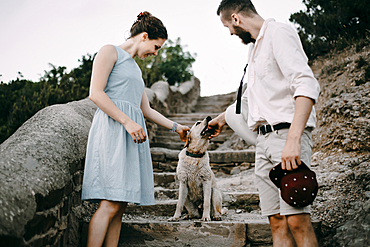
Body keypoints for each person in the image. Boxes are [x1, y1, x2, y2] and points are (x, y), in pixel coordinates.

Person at [208, 1, 321, 246]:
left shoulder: (279, 33)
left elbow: (306, 85)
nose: (229, 32)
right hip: (264, 141)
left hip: (286, 138)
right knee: (277, 221)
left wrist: (293, 141)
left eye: (227, 26)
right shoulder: (254, 50)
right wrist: (221, 120)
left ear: (236, 19)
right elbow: (251, 95)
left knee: (297, 221)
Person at [81, 12, 190, 247]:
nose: (155, 53)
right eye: (156, 46)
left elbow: (147, 110)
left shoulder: (136, 70)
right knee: (110, 203)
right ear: (144, 36)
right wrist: (127, 122)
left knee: (120, 205)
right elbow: (96, 93)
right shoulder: (109, 51)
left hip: (131, 138)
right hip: (112, 132)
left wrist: (176, 127)